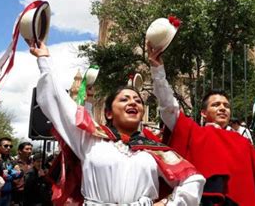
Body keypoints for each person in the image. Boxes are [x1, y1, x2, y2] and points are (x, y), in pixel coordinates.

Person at [30, 40, 205, 205]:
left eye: (137, 100)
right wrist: (43, 59)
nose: (133, 102)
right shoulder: (90, 140)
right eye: (124, 99)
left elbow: (193, 179)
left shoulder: (155, 150)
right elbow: (59, 103)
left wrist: (167, 203)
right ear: (108, 113)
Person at [148, 43, 255, 206]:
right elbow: (169, 107)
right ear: (203, 113)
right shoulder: (193, 132)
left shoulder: (243, 143)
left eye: (226, 106)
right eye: (216, 105)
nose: (222, 108)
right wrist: (158, 70)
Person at [0, 137, 22, 206]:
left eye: (10, 146)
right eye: (6, 146)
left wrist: (16, 173)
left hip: (8, 193)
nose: (8, 148)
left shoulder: (11, 159)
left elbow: (19, 173)